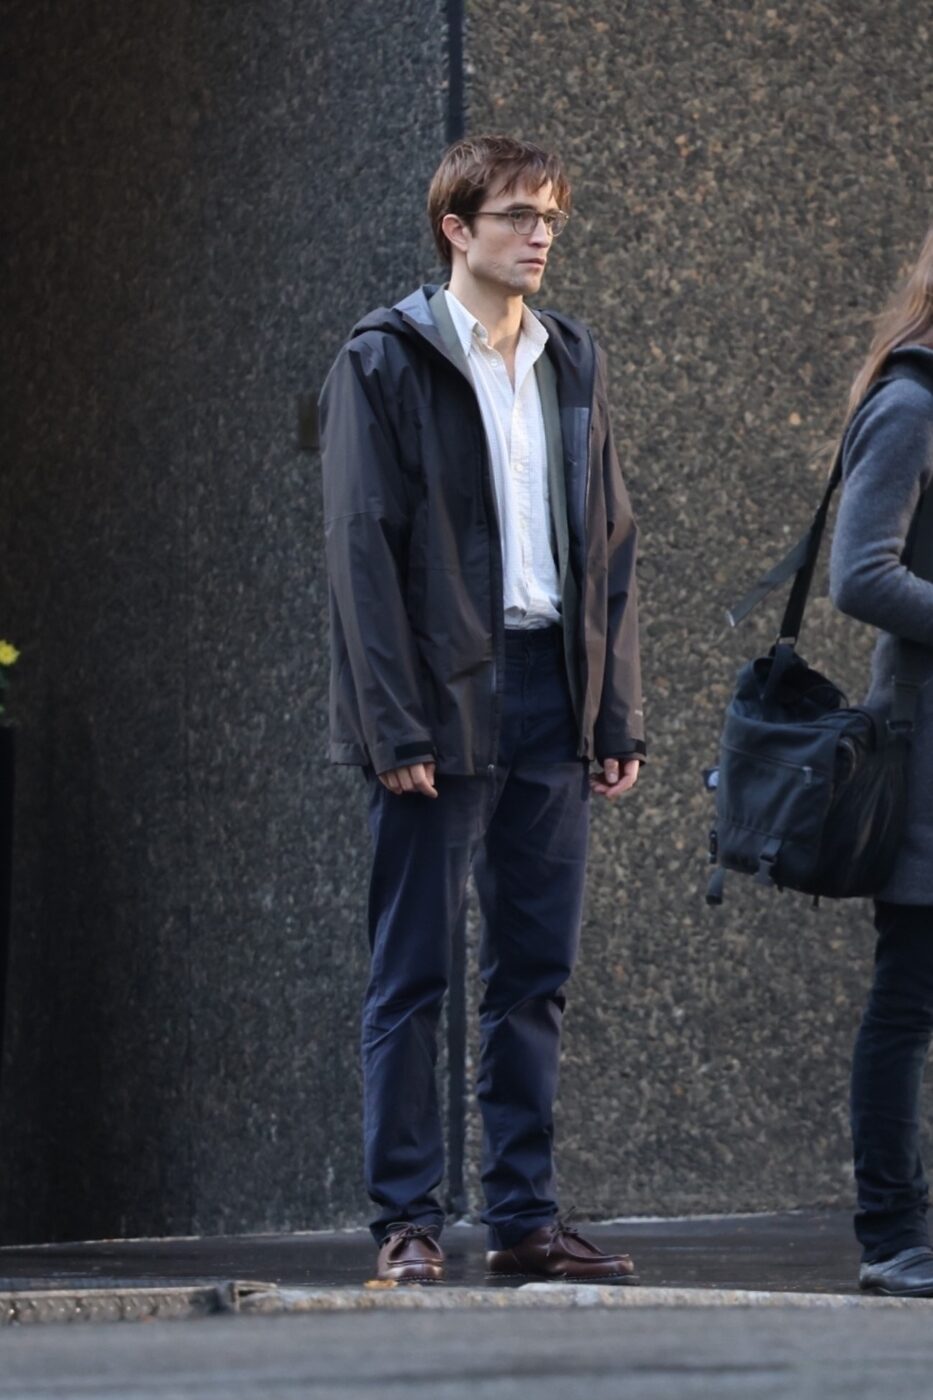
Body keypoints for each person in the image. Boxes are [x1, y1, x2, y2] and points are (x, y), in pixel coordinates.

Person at [319, 135, 645, 1284]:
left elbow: (610, 542)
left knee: (534, 973)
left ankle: (523, 1218)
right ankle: (408, 1221)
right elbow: (361, 551)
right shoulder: (383, 360)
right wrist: (391, 724)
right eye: (517, 215)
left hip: (553, 693)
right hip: (438, 699)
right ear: (457, 229)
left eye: (550, 215)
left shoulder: (571, 356)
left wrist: (615, 710)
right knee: (413, 973)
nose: (540, 234)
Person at [829, 225, 933, 1297]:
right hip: (924, 753)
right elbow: (860, 574)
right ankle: (893, 1236)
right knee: (908, 1001)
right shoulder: (910, 404)